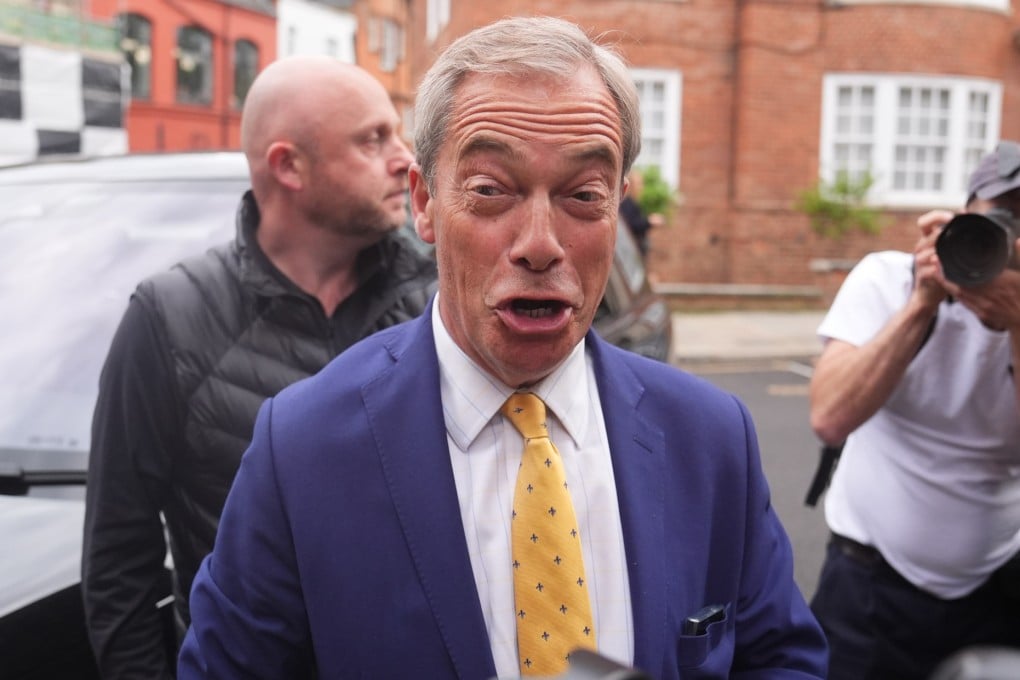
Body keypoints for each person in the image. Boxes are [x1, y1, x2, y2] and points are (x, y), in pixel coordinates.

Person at [178, 16, 827, 679]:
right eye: (491, 191)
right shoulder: (303, 449)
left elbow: (778, 658)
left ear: (616, 208)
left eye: (583, 196)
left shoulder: (711, 438)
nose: (541, 243)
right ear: (425, 202)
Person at [81, 56, 437, 679]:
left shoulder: (440, 303)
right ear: (288, 166)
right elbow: (119, 558)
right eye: (371, 139)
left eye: (397, 133)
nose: (404, 159)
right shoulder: (170, 319)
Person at [808, 141, 1020, 680]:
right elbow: (831, 415)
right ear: (962, 217)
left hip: (997, 584)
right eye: (1003, 219)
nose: (1011, 240)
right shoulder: (889, 280)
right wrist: (924, 300)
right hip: (869, 584)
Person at [618, 168, 661, 257]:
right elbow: (631, 225)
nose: (641, 187)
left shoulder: (633, 203)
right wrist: (649, 221)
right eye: (638, 184)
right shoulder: (627, 203)